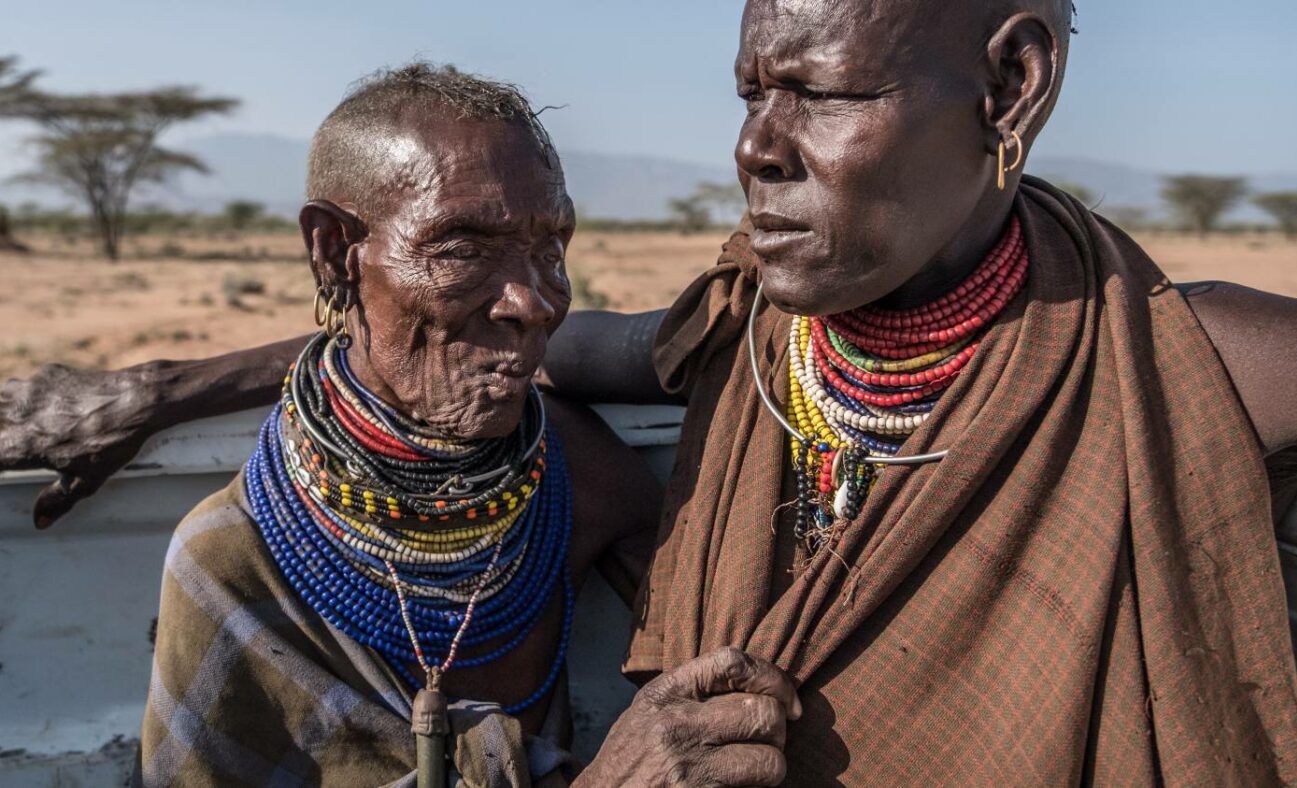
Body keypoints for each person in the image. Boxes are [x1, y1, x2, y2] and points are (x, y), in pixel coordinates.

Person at [5, 1, 1297, 784]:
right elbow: (497, 339)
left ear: (1012, 88)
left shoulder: (1188, 362)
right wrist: (169, 383)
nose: (753, 148)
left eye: (819, 92)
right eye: (748, 91)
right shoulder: (750, 335)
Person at [125, 65, 798, 788]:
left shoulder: (573, 471)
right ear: (333, 252)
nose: (533, 302)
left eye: (550, 249)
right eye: (463, 248)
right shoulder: (231, 558)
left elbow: (726, 675)